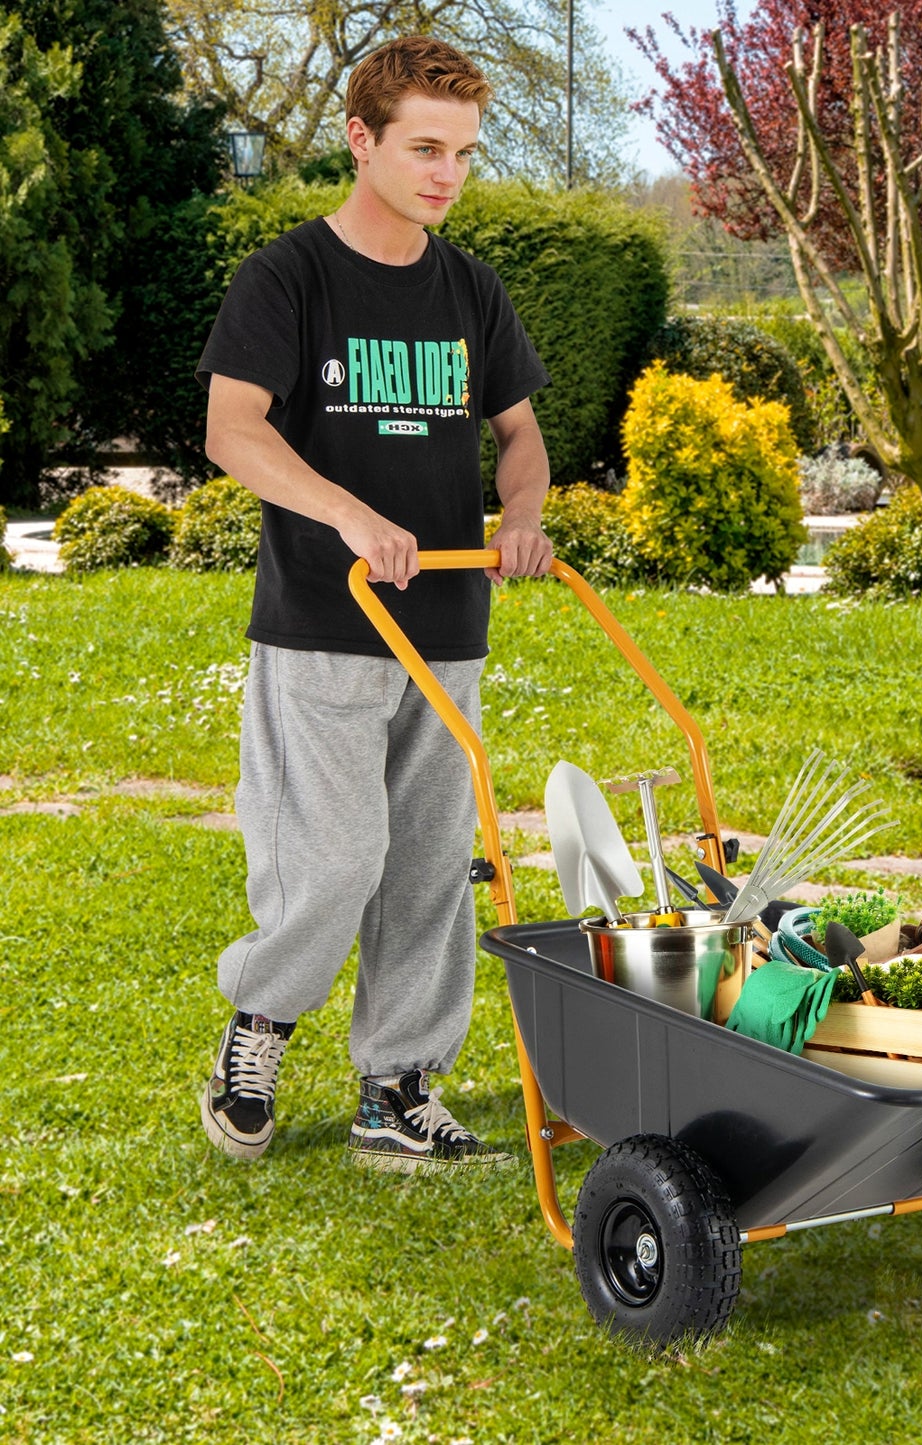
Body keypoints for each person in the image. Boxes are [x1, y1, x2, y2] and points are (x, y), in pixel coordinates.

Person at [196, 35, 552, 1174]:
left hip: (445, 625)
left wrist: (523, 515)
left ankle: (396, 1088)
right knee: (336, 858)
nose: (446, 173)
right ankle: (258, 1024)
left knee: (431, 862)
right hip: (324, 621)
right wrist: (345, 513)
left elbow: (520, 435)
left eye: (464, 153)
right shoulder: (288, 277)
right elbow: (232, 430)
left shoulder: (470, 288)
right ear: (362, 140)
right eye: (424, 148)